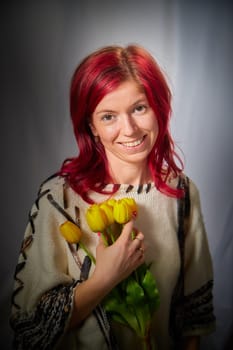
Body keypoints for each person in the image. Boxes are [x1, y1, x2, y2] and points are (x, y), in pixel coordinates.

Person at [10, 44, 216, 350]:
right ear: (90, 125)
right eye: (108, 116)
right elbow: (31, 329)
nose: (129, 129)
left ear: (158, 108)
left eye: (139, 108)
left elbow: (193, 311)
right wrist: (104, 278)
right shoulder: (59, 198)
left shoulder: (181, 193)